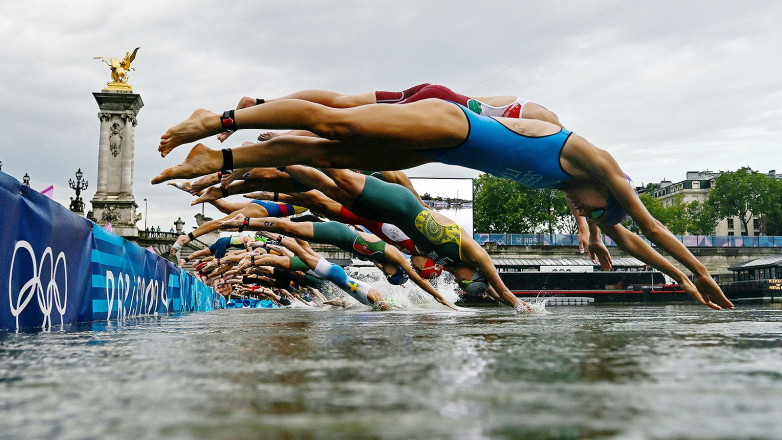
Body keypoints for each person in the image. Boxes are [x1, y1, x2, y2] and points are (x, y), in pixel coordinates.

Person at [153, 94, 733, 310]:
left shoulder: (584, 196)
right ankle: (223, 122)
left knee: (336, 146)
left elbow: (635, 242)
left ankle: (223, 162)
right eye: (598, 214)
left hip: (442, 150)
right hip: (452, 121)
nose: (599, 220)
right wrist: (703, 270)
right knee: (335, 127)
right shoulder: (597, 164)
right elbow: (652, 227)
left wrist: (682, 282)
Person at [218, 213, 459, 310]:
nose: (385, 276)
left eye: (388, 278)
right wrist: (443, 300)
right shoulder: (393, 256)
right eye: (389, 275)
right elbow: (413, 279)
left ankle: (265, 235)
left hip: (340, 254)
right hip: (340, 238)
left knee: (302, 250)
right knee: (300, 249)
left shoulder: (381, 260)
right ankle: (256, 227)